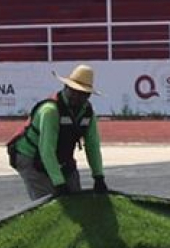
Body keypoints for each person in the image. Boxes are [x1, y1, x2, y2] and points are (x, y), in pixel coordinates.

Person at [8, 64, 109, 200]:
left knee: (75, 198)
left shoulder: (88, 113)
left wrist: (98, 177)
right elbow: (46, 149)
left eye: (83, 94)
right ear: (66, 87)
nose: (77, 96)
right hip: (30, 156)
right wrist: (59, 183)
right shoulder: (50, 111)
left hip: (61, 157)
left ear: (88, 95)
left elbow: (93, 146)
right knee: (49, 200)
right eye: (73, 91)